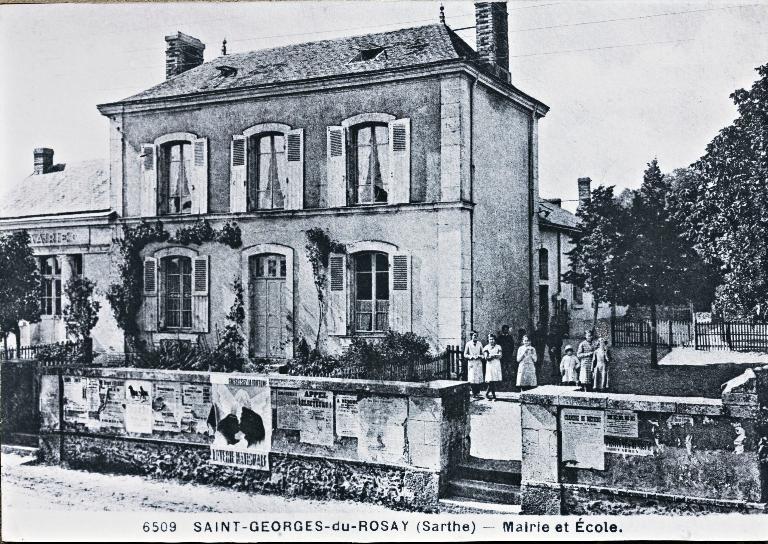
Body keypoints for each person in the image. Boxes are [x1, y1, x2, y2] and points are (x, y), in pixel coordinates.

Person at [463, 330, 484, 399]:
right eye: (474, 335)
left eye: (476, 336)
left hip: (478, 362)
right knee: (472, 378)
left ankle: (477, 392)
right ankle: (473, 392)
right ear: (471, 336)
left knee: (478, 378)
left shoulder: (479, 344)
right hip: (471, 362)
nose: (475, 337)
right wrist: (470, 356)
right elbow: (465, 354)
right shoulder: (468, 344)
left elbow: (483, 354)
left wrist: (480, 356)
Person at [483, 334, 503, 400]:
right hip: (490, 365)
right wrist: (493, 356)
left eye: (493, 339)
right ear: (488, 340)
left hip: (496, 364)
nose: (492, 341)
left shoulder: (498, 347)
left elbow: (500, 356)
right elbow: (486, 357)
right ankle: (493, 395)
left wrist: (492, 355)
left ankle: (487, 394)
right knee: (491, 380)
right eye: (490, 339)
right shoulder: (486, 347)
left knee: (494, 380)